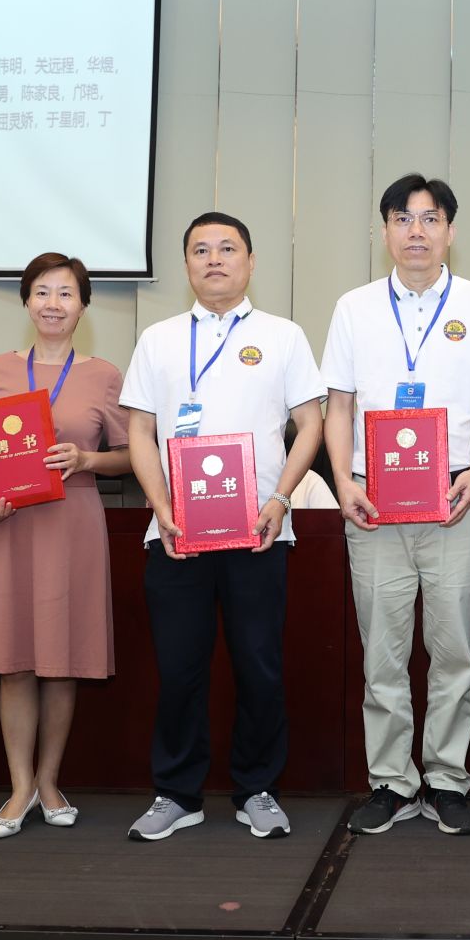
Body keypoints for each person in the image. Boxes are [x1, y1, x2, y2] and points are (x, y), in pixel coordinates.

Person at [121, 213, 326, 841]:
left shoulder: (283, 335)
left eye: (228, 248)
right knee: (179, 668)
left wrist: (281, 499)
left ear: (251, 261)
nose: (214, 259)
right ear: (186, 264)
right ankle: (176, 794)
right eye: (201, 250)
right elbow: (139, 430)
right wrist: (161, 506)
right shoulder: (157, 338)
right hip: (176, 533)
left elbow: (311, 424)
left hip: (258, 530)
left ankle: (257, 788)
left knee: (259, 666)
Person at [322, 175, 470, 837]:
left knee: (454, 649)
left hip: (453, 495)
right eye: (403, 218)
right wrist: (343, 481)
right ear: (385, 232)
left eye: (430, 219)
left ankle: (447, 780)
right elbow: (338, 404)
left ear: (450, 231)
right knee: (383, 651)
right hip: (373, 499)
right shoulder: (354, 307)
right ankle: (391, 781)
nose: (417, 231)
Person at [0, 253, 132, 838]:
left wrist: (86, 459)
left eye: (65, 293)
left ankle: (50, 781)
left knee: (61, 662)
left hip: (71, 521)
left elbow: (131, 456)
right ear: (26, 301)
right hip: (8, 525)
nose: (53, 303)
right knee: (12, 662)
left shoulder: (104, 375)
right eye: (42, 292)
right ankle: (19, 787)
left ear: (83, 307)